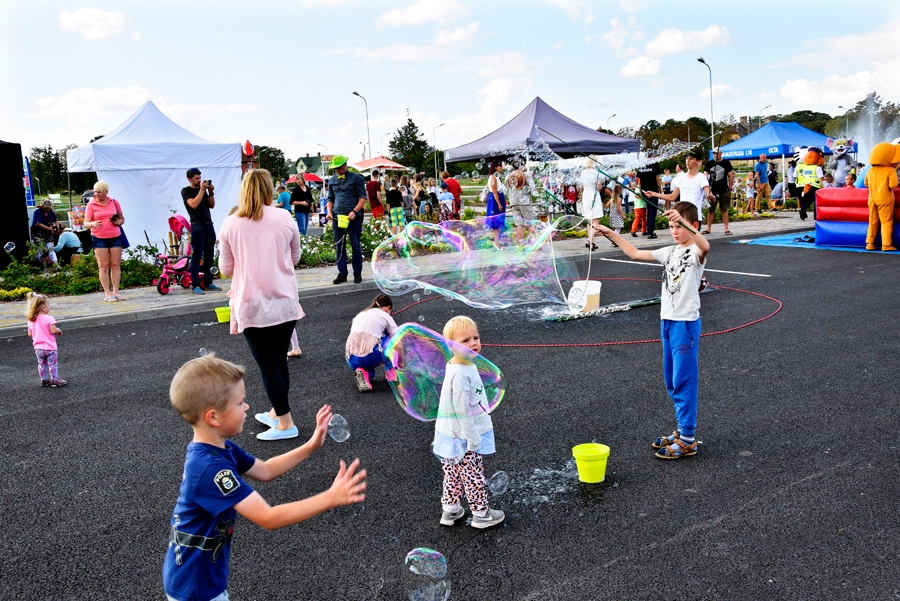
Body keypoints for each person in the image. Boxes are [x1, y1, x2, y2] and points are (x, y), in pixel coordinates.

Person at [162, 354, 366, 601]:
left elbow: (266, 469)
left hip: (201, 579)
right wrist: (330, 498)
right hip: (194, 589)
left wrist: (311, 445)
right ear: (213, 417)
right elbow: (269, 517)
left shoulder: (221, 448)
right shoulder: (210, 468)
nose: (246, 407)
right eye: (240, 403)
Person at [593, 201, 708, 459]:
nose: (675, 230)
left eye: (680, 225)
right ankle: (682, 429)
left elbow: (706, 245)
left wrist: (685, 220)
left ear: (693, 226)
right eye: (672, 226)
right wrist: (611, 234)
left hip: (685, 324)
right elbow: (635, 253)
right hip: (667, 321)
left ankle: (688, 438)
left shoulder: (696, 252)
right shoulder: (669, 252)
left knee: (683, 380)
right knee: (671, 378)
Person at [218, 169, 304, 441]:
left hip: (252, 302)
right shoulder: (284, 217)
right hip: (284, 299)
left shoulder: (231, 223)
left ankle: (286, 424)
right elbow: (296, 257)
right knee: (278, 362)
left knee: (269, 366)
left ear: (243, 190)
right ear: (269, 189)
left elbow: (225, 269)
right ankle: (277, 413)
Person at [434, 315, 505, 529]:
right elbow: (462, 411)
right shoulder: (461, 375)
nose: (473, 343)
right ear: (451, 345)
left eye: (476, 337)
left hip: (450, 434)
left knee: (453, 473)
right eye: (465, 340)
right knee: (473, 475)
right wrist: (473, 439)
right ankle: (481, 515)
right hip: (465, 436)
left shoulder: (459, 364)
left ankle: (450, 510)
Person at [326, 155, 367, 284]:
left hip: (354, 218)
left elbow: (362, 197)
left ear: (345, 165)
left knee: (355, 245)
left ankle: (357, 273)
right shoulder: (332, 180)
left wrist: (354, 211)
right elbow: (330, 198)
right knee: (339, 246)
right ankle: (342, 273)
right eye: (335, 169)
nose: (337, 170)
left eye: (338, 168)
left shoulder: (356, 178)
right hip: (338, 217)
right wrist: (329, 212)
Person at [345, 294, 399, 392]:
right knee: (389, 336)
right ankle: (391, 373)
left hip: (351, 358)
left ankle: (363, 373)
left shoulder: (361, 314)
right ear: (388, 308)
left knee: (366, 365)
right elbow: (396, 337)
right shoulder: (386, 315)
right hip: (370, 355)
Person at [84, 180, 127, 301]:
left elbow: (122, 219)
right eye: (95, 191)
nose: (96, 194)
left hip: (115, 236)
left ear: (106, 192)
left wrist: (117, 222)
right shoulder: (91, 204)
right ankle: (107, 293)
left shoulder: (114, 202)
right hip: (99, 238)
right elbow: (86, 223)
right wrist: (93, 223)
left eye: (99, 192)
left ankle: (116, 291)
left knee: (116, 265)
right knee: (103, 266)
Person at [181, 168, 222, 295]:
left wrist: (210, 192)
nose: (199, 180)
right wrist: (202, 190)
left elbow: (211, 205)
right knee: (197, 256)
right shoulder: (186, 191)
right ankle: (195, 285)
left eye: (200, 178)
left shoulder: (202, 190)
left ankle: (209, 282)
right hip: (197, 226)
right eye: (196, 178)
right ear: (189, 179)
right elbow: (193, 204)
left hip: (209, 225)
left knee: (209, 256)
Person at [646, 150, 712, 218]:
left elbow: (709, 194)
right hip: (682, 217)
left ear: (697, 161)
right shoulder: (681, 178)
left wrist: (711, 197)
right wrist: (654, 194)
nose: (688, 161)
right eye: (687, 158)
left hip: (694, 217)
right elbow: (672, 196)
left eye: (691, 159)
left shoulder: (701, 177)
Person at [864, 142, 899, 251]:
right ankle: (886, 244)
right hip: (885, 199)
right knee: (886, 222)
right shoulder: (890, 170)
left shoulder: (870, 171)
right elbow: (893, 185)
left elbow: (866, 184)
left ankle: (870, 243)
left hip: (872, 199)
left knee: (872, 221)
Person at [25, 292, 65, 387]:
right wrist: (59, 330)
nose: (49, 308)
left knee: (41, 364)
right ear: (43, 307)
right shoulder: (49, 319)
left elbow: (30, 334)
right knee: (52, 364)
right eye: (48, 306)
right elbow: (53, 331)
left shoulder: (31, 320)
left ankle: (44, 380)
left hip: (38, 348)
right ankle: (55, 380)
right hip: (50, 347)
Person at [704, 147, 735, 235]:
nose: (715, 155)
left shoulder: (726, 163)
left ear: (721, 153)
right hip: (712, 190)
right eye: (713, 153)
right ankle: (708, 228)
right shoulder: (710, 163)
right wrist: (706, 186)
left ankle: (726, 229)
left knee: (724, 209)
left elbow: (730, 175)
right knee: (711, 210)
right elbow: (705, 174)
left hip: (723, 189)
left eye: (716, 153)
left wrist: (730, 186)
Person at [635, 161, 662, 239]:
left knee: (649, 211)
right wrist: (660, 190)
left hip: (645, 192)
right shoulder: (654, 164)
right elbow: (657, 179)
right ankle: (650, 231)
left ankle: (647, 230)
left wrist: (641, 192)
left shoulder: (641, 165)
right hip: (653, 191)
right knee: (653, 212)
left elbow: (639, 182)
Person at [485, 159, 506, 249]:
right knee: (496, 221)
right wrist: (499, 204)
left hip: (499, 198)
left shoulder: (496, 177)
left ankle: (497, 241)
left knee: (498, 221)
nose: (501, 167)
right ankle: (496, 242)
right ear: (495, 167)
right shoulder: (492, 177)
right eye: (499, 165)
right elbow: (494, 192)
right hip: (495, 200)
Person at [605, 179, 625, 246]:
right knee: (618, 228)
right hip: (617, 215)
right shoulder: (619, 199)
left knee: (617, 228)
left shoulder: (612, 198)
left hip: (613, 214)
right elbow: (618, 208)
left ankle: (614, 238)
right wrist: (622, 215)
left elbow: (607, 205)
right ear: (619, 190)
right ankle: (616, 240)